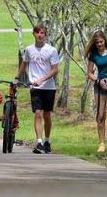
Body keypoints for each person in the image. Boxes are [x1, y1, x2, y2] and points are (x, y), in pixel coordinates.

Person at [16, 24, 62, 154]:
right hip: (35, 87)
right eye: (37, 33)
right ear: (34, 34)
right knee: (37, 113)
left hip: (48, 87)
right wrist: (17, 78)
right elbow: (24, 64)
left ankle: (47, 140)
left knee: (47, 115)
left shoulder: (51, 50)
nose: (40, 35)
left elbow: (55, 70)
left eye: (42, 33)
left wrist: (42, 80)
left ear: (45, 35)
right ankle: (39, 142)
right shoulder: (29, 50)